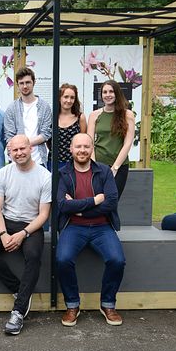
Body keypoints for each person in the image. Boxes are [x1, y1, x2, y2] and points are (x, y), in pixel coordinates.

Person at [0, 134, 51, 335]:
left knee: (34, 256)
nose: (19, 153)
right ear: (9, 153)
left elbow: (44, 214)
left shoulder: (45, 176)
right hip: (6, 221)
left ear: (30, 149)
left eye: (22, 149)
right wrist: (3, 234)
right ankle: (20, 290)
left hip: (31, 224)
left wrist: (22, 234)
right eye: (14, 150)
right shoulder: (3, 174)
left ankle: (18, 311)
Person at [56, 133, 125, 327]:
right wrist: (94, 201)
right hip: (74, 228)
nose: (82, 150)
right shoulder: (63, 173)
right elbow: (62, 205)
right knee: (62, 259)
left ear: (92, 148)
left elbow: (111, 202)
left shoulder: (104, 171)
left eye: (86, 146)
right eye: (78, 147)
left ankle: (107, 304)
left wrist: (80, 210)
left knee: (117, 260)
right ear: (71, 149)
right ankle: (72, 305)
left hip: (102, 227)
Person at [87, 80, 136, 198]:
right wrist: (94, 165)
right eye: (104, 92)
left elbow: (128, 143)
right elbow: (90, 142)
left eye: (111, 91)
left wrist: (115, 168)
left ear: (117, 93)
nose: (108, 95)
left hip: (119, 167)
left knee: (112, 202)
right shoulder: (94, 115)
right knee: (98, 201)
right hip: (98, 166)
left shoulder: (127, 114)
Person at [3, 67, 52, 167]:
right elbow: (9, 136)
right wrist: (21, 146)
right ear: (17, 85)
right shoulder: (12, 108)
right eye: (21, 83)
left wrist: (22, 144)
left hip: (39, 160)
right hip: (18, 161)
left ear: (34, 82)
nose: (25, 86)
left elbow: (46, 133)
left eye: (28, 82)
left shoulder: (44, 106)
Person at [54, 83, 87, 169]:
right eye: (66, 97)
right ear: (59, 98)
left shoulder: (80, 118)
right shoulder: (52, 117)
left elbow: (83, 140)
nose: (69, 100)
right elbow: (49, 143)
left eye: (72, 98)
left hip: (74, 164)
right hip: (54, 163)